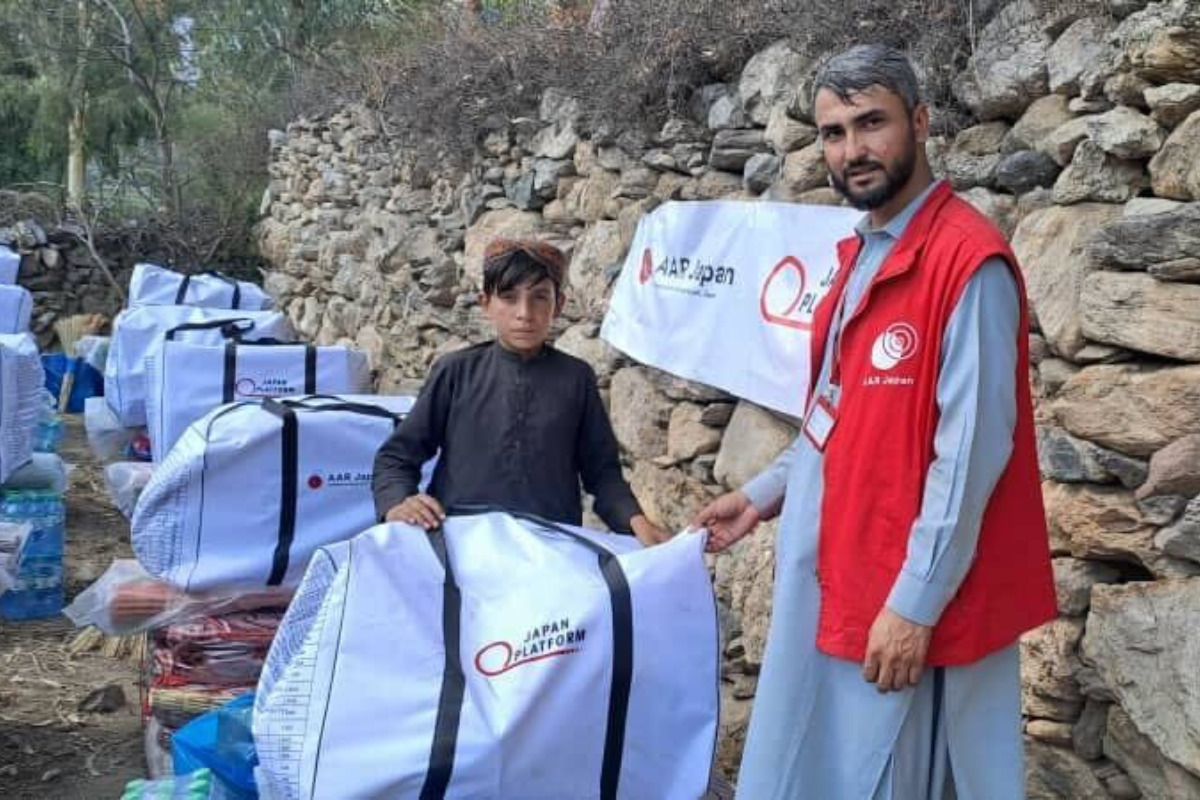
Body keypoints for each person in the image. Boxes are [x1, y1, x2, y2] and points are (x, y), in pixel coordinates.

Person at [693, 44, 1056, 799]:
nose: (852, 150)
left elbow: (971, 459)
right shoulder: (859, 256)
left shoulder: (967, 263)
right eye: (833, 132)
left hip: (904, 598)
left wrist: (913, 605)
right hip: (842, 574)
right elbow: (836, 417)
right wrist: (759, 495)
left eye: (871, 124)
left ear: (920, 123)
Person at [373, 237, 670, 546]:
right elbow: (396, 458)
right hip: (459, 543)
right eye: (509, 297)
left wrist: (636, 522)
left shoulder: (576, 379)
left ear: (559, 306)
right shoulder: (456, 372)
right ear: (485, 303)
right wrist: (398, 502)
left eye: (540, 297)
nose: (524, 313)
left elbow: (603, 473)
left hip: (550, 548)